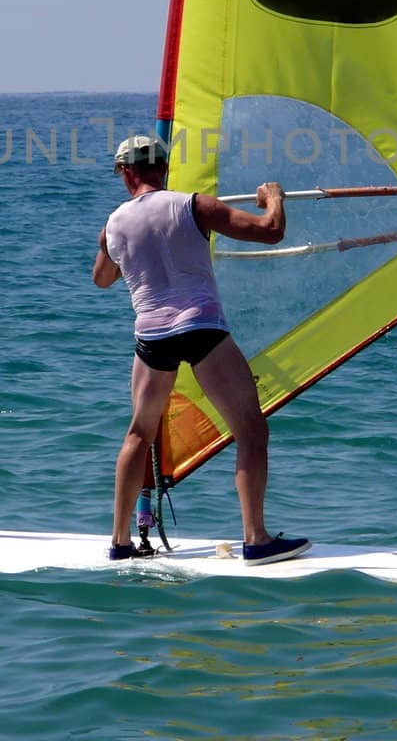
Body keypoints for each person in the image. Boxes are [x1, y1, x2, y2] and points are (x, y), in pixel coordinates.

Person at [92, 134, 310, 566]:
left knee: (139, 434)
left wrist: (116, 246)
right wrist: (273, 198)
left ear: (126, 173)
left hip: (151, 338)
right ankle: (257, 539)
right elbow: (271, 231)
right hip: (200, 328)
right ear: (162, 167)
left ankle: (119, 541)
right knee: (251, 430)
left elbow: (102, 279)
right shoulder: (194, 205)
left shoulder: (113, 224)